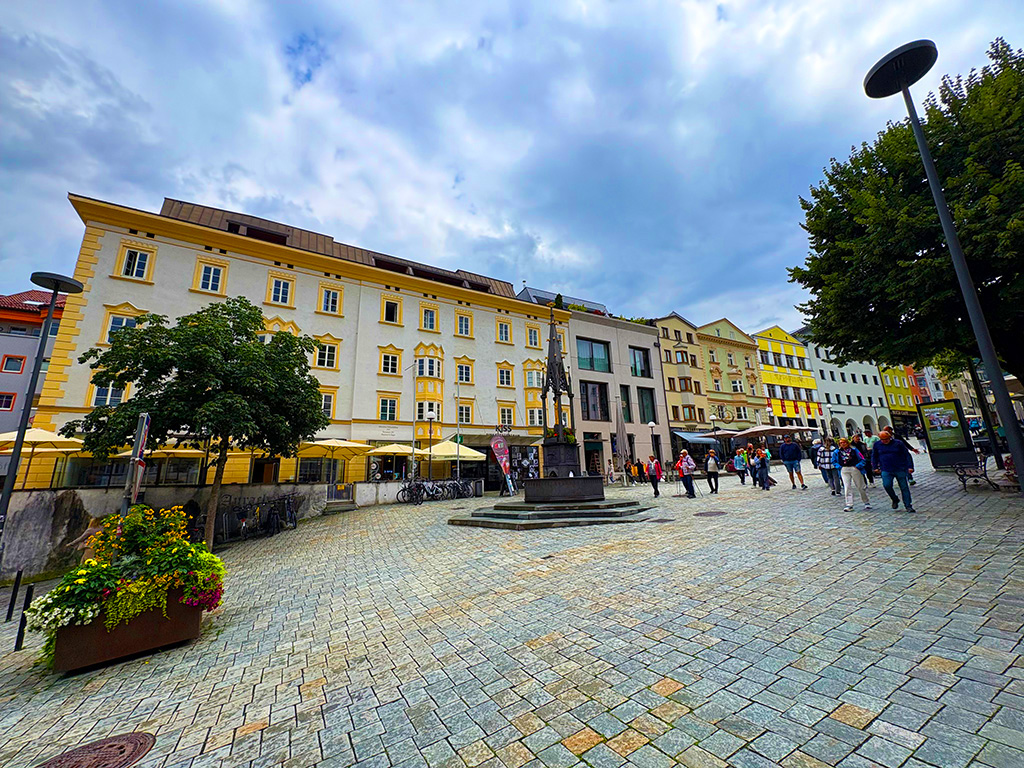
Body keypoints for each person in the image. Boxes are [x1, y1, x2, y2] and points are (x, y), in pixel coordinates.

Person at [873, 429, 916, 513]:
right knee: (887, 485)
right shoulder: (877, 445)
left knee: (904, 487)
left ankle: (908, 505)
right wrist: (875, 467)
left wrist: (910, 466)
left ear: (890, 437)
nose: (885, 441)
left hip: (900, 468)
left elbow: (906, 455)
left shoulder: (898, 443)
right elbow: (874, 456)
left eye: (886, 439)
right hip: (886, 469)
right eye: (882, 440)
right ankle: (895, 499)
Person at [836, 437, 870, 512]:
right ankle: (849, 504)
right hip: (844, 469)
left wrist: (858, 466)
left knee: (860, 486)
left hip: (854, 468)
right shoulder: (837, 452)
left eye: (844, 442)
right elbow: (834, 461)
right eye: (841, 443)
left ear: (847, 443)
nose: (843, 444)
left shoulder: (854, 450)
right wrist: (839, 467)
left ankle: (866, 501)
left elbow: (862, 458)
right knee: (847, 486)